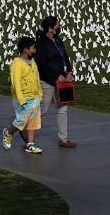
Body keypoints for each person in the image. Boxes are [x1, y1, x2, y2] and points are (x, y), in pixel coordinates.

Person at [35, 16, 77, 148]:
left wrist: (69, 71)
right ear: (50, 29)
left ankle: (63, 139)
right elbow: (42, 63)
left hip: (63, 80)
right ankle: (26, 131)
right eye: (57, 26)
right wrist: (56, 75)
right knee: (43, 109)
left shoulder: (58, 40)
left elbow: (65, 57)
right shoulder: (41, 43)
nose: (59, 28)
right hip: (48, 81)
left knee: (63, 108)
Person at [2, 37, 44, 154]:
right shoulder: (17, 63)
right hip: (22, 97)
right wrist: (21, 99)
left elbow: (36, 78)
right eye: (33, 48)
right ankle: (8, 132)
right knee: (22, 120)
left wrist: (39, 94)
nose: (35, 50)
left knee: (33, 121)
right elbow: (15, 83)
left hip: (34, 96)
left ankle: (30, 144)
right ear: (26, 50)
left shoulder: (33, 62)